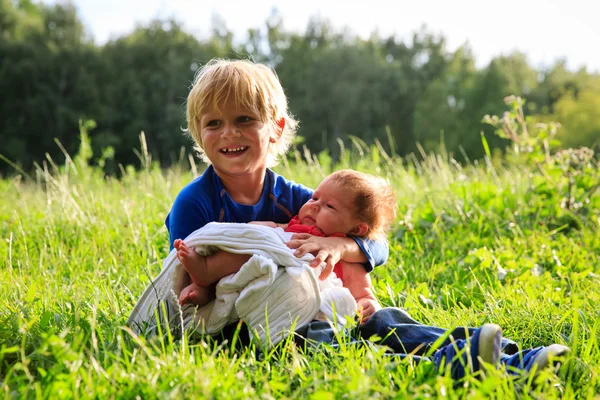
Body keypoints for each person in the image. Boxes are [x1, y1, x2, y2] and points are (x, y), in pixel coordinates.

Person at [163, 58, 570, 380]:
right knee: (329, 344)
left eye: (244, 120)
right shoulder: (195, 203)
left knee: (382, 319)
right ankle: (450, 366)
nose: (229, 133)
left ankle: (513, 358)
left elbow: (377, 243)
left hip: (325, 304)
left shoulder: (296, 199)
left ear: (276, 128)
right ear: (199, 134)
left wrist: (339, 244)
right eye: (214, 123)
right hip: (259, 324)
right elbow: (184, 278)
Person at [176, 169, 397, 324]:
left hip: (305, 301)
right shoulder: (297, 223)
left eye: (329, 206)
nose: (314, 206)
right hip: (267, 273)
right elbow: (271, 229)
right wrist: (253, 231)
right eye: (314, 198)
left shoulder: (342, 257)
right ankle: (206, 274)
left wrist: (367, 304)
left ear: (356, 230)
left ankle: (206, 275)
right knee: (257, 248)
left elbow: (364, 288)